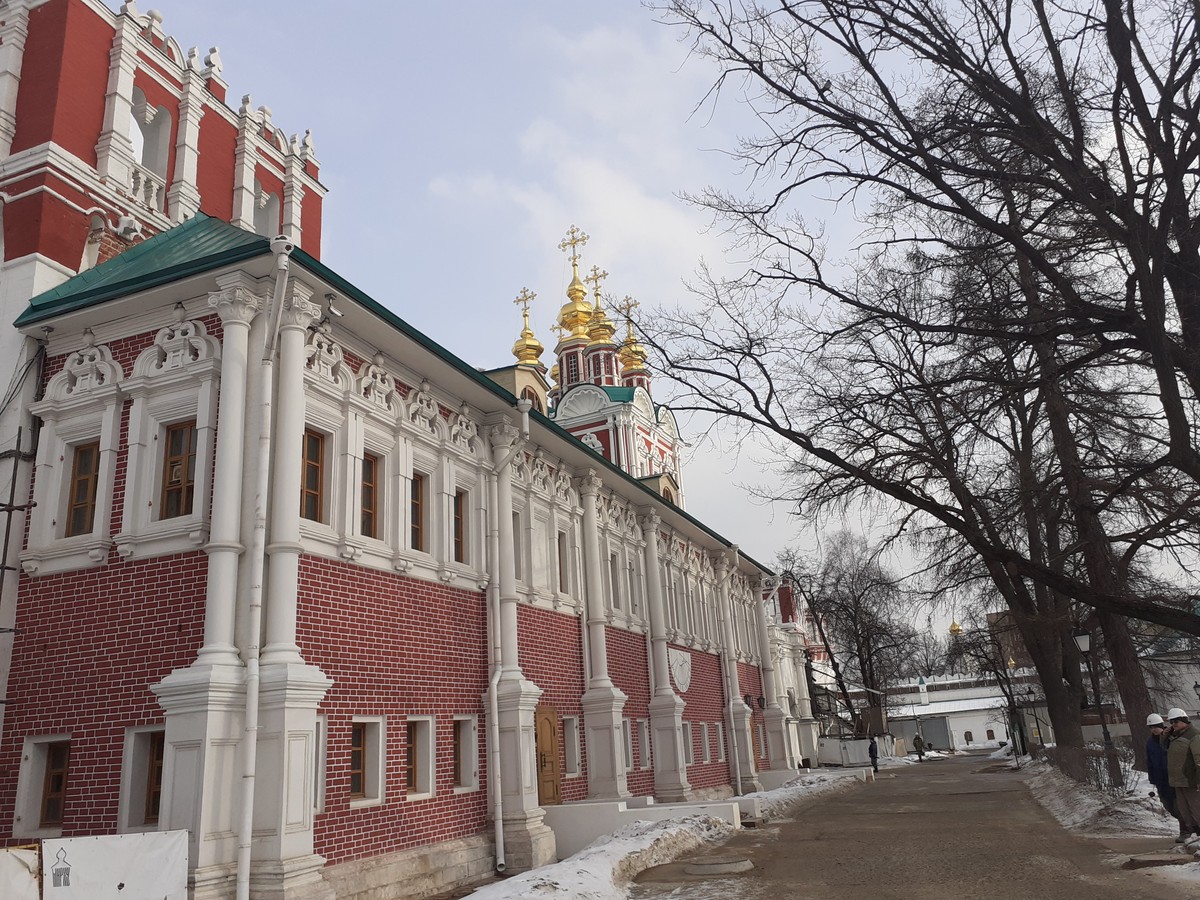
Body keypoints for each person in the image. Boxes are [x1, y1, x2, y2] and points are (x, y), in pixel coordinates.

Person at [1146, 713, 1185, 842]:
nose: (1153, 730)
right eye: (1151, 727)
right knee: (1168, 806)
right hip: (1160, 780)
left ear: (1161, 726)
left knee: (1178, 806)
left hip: (1172, 778)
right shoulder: (1150, 743)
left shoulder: (1170, 739)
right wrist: (1152, 778)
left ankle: (1184, 830)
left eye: (1155, 727)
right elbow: (1149, 761)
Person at [1166, 708, 1200, 840]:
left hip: (1190, 779)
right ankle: (1195, 834)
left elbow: (1199, 758)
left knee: (1196, 807)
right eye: (1172, 722)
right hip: (1178, 780)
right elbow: (1164, 747)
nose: (1174, 724)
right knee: (1184, 809)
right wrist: (1165, 735)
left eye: (1176, 721)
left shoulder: (1194, 735)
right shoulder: (1174, 736)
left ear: (1184, 720)